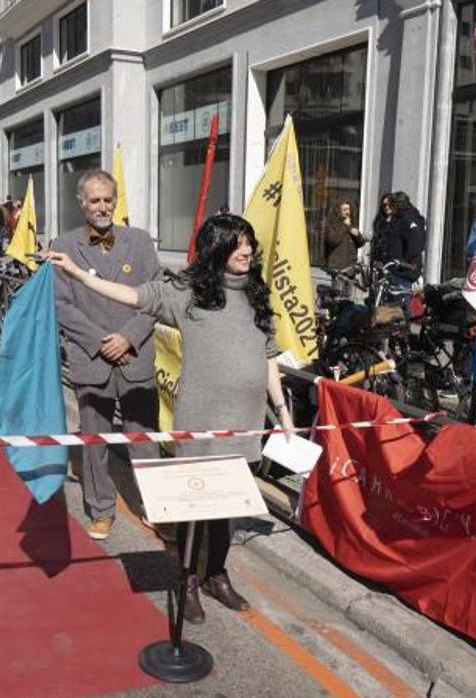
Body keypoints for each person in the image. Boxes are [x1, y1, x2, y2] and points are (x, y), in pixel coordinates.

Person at [47, 213, 295, 624]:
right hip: (201, 424)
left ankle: (215, 574)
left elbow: (268, 357)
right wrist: (78, 273)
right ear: (218, 248)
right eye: (237, 244)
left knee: (227, 510)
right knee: (195, 510)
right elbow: (130, 296)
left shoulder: (256, 292)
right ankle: (187, 581)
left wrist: (282, 413)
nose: (247, 250)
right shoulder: (186, 292)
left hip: (246, 424)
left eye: (249, 242)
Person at [50, 170, 162, 541]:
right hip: (91, 358)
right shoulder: (63, 245)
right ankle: (100, 509)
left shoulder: (141, 242)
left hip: (135, 355)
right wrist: (102, 342)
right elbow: (62, 305)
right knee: (94, 441)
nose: (102, 207)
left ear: (116, 201)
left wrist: (128, 338)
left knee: (142, 437)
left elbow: (155, 298)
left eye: (108, 200)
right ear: (81, 202)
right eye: (94, 200)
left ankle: (155, 506)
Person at [370, 191, 426, 287]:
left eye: (391, 205)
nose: (388, 208)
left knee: (398, 300)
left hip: (403, 274)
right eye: (385, 205)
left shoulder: (408, 220)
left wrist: (402, 262)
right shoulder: (396, 220)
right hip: (391, 271)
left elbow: (416, 245)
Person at [322, 199, 365, 272]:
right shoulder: (331, 225)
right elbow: (333, 240)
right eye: (344, 210)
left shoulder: (350, 223)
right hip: (338, 267)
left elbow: (361, 243)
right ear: (338, 211)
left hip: (351, 267)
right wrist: (346, 227)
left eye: (348, 209)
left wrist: (357, 235)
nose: (347, 212)